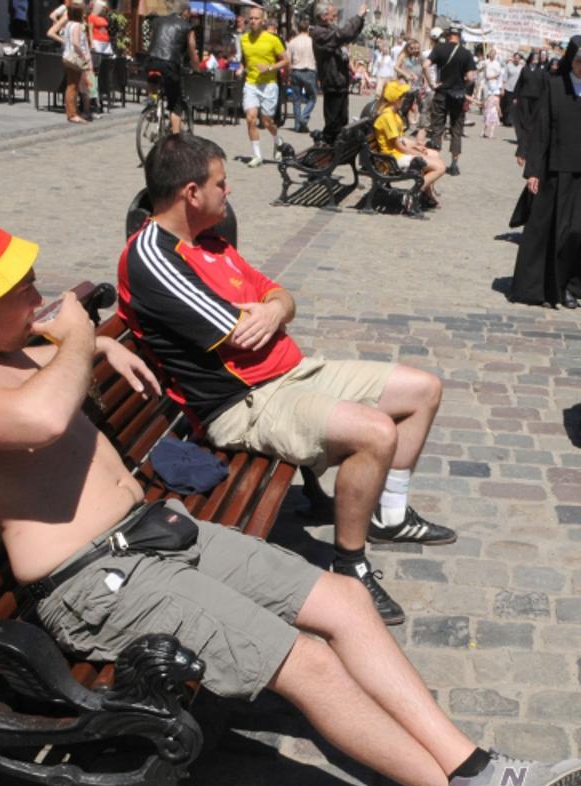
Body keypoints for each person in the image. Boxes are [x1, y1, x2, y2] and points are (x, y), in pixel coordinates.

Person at [0, 213, 581, 786]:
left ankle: (472, 765)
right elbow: (38, 421)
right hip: (95, 579)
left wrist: (98, 343)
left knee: (342, 603)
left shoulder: (4, 345)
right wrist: (81, 340)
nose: (38, 295)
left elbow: (46, 381)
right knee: (307, 661)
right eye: (21, 287)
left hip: (154, 531)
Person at [118, 134, 457, 625]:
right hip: (244, 403)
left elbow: (279, 298)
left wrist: (274, 309)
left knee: (423, 390)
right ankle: (350, 564)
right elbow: (239, 335)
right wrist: (268, 314)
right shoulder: (152, 255)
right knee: (376, 433)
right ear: (191, 193)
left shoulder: (211, 241)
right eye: (220, 183)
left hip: (291, 373)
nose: (228, 191)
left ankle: (392, 515)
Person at [509, 35, 581, 310]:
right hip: (554, 170)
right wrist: (533, 170)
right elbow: (541, 129)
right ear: (571, 59)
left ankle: (569, 285)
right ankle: (541, 288)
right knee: (546, 230)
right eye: (580, 61)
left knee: (577, 233)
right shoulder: (555, 86)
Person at [374, 81, 444, 208]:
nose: (404, 99)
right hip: (392, 159)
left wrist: (415, 145)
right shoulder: (388, 117)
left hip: (395, 154)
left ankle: (426, 193)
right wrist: (416, 153)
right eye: (402, 96)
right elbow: (398, 146)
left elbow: (400, 140)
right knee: (440, 167)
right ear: (396, 99)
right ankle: (413, 193)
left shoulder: (393, 114)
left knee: (434, 154)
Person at [238, 6, 288, 167]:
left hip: (269, 85)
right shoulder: (243, 39)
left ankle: (276, 139)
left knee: (267, 122)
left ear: (263, 21)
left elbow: (286, 60)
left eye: (256, 18)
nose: (253, 21)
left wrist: (269, 68)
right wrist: (241, 68)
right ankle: (257, 155)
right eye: (251, 18)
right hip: (251, 83)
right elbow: (245, 60)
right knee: (251, 118)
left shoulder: (273, 39)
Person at [311, 0, 365, 142]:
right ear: (323, 16)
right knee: (333, 122)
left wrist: (361, 20)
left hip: (340, 82)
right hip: (332, 82)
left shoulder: (329, 30)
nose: (335, 17)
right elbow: (342, 35)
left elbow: (349, 35)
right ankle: (326, 146)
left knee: (342, 120)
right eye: (333, 15)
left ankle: (337, 148)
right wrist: (357, 17)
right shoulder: (319, 33)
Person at [427, 26, 477, 175]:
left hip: (441, 93)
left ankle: (434, 162)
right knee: (456, 130)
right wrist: (462, 86)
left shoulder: (439, 48)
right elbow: (471, 77)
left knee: (437, 129)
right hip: (458, 96)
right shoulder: (466, 53)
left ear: (448, 36)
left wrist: (431, 83)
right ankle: (454, 165)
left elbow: (425, 65)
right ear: (459, 37)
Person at [144, 0, 198, 135]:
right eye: (189, 12)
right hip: (170, 65)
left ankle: (152, 101)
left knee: (153, 77)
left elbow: (153, 40)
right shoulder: (187, 27)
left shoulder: (157, 21)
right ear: (185, 12)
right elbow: (192, 51)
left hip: (151, 61)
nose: (190, 15)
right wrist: (197, 69)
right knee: (175, 104)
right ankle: (175, 139)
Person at [512, 48, 548, 158]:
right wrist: (515, 96)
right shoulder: (525, 69)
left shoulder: (542, 71)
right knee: (524, 119)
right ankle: (522, 139)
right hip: (524, 97)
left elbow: (544, 87)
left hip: (536, 99)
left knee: (533, 120)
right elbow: (519, 84)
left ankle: (529, 140)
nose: (536, 60)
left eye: (538, 58)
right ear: (531, 59)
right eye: (535, 58)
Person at [286, 18, 316, 134]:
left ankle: (298, 125)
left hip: (296, 71)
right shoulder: (312, 41)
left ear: (298, 29)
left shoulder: (293, 42)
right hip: (309, 71)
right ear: (308, 28)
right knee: (312, 98)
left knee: (296, 99)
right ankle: (303, 118)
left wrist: (288, 74)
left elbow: (288, 60)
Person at [479, 47, 503, 139]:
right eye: (491, 53)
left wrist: (492, 78)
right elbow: (479, 70)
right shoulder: (486, 62)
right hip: (486, 87)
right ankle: (483, 131)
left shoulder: (497, 64)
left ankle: (491, 132)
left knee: (494, 110)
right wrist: (483, 67)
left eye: (494, 53)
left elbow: (499, 75)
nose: (492, 55)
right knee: (486, 109)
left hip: (495, 88)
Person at [501, 51, 523, 127]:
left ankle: (510, 121)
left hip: (516, 89)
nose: (517, 59)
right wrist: (502, 88)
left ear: (520, 59)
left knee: (513, 106)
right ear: (513, 58)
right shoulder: (508, 66)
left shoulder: (521, 67)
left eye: (518, 58)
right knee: (507, 105)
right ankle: (505, 119)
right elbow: (504, 78)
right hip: (508, 88)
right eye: (515, 58)